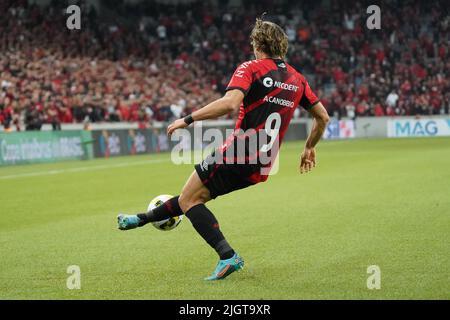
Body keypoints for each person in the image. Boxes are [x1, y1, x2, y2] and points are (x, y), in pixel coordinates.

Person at [117, 17, 330, 281]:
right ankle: (139, 219)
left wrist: (188, 119)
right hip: (264, 164)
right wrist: (309, 147)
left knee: (189, 199)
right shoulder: (298, 79)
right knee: (193, 196)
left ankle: (227, 256)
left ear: (257, 43)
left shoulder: (251, 68)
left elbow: (230, 104)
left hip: (239, 151)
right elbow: (322, 117)